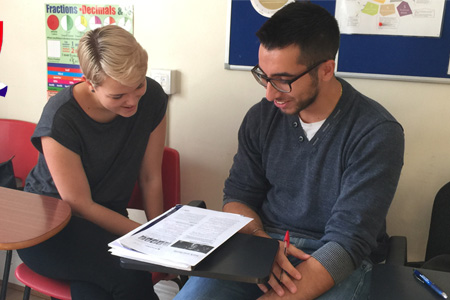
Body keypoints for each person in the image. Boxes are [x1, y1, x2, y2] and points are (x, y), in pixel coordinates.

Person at [174, 2, 404, 300]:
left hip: (333, 256)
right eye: (263, 76)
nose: (269, 94)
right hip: (263, 244)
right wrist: (260, 242)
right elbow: (238, 197)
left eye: (283, 81)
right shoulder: (262, 117)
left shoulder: (376, 132)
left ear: (325, 70)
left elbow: (348, 242)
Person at [17, 25, 167, 300]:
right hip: (49, 229)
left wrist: (161, 236)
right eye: (118, 96)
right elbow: (80, 205)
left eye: (138, 86)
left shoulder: (153, 98)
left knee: (102, 287)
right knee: (129, 276)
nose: (133, 101)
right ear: (90, 82)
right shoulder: (61, 117)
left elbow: (150, 177)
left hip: (104, 223)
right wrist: (148, 239)